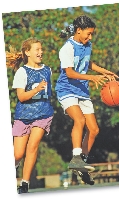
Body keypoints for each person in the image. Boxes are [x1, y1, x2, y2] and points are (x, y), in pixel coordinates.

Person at [55, 15, 119, 185]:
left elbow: (88, 63)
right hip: (66, 90)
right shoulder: (67, 48)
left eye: (92, 34)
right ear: (78, 31)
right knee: (79, 120)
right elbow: (69, 73)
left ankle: (81, 164)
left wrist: (105, 72)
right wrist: (92, 78)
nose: (90, 37)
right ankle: (76, 157)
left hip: (82, 91)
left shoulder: (87, 44)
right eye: (88, 34)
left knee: (94, 129)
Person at [6, 37, 54, 194]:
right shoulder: (22, 72)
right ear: (27, 52)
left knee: (32, 147)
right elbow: (21, 97)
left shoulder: (48, 70)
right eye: (37, 49)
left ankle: (24, 183)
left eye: (41, 49)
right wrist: (37, 89)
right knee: (18, 153)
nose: (40, 52)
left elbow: (49, 94)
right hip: (24, 115)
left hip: (43, 114)